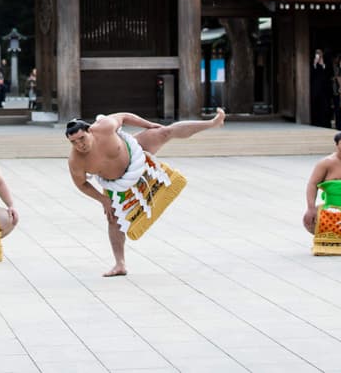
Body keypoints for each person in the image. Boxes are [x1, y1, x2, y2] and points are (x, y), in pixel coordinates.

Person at [66, 109, 225, 277]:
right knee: (114, 219)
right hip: (116, 185)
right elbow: (81, 184)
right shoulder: (76, 161)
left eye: (81, 138)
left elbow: (125, 116)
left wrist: (147, 125)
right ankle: (120, 264)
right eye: (74, 142)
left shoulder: (104, 126)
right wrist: (103, 199)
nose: (80, 145)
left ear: (90, 130)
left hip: (136, 153)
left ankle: (212, 123)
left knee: (164, 132)